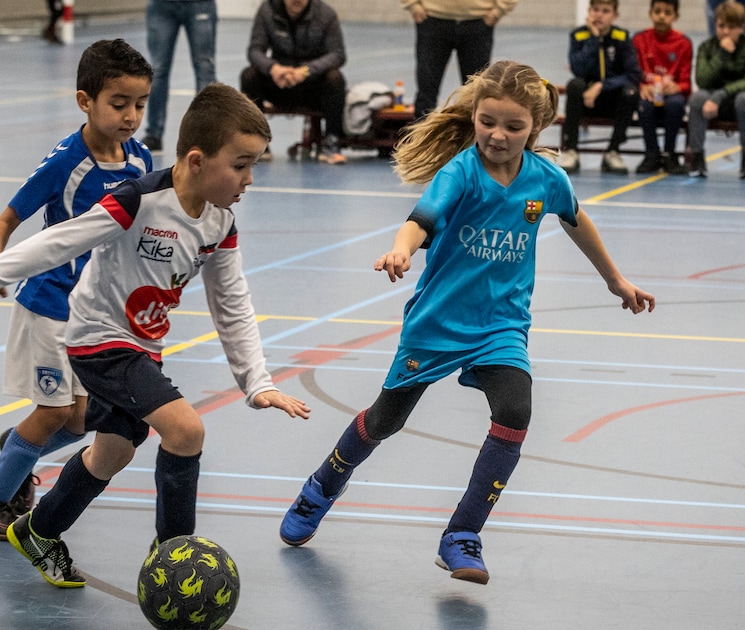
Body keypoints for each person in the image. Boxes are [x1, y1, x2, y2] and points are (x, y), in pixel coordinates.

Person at [0, 83, 311, 588]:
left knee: (114, 451)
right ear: (196, 160)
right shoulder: (140, 201)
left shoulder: (220, 222)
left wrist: (257, 382)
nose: (249, 179)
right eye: (240, 165)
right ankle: (176, 558)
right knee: (186, 431)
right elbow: (56, 242)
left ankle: (38, 531)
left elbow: (232, 305)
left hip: (142, 345)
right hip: (97, 338)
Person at [278, 60, 655, 584]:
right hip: (438, 323)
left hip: (501, 325)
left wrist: (615, 280)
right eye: (487, 121)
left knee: (515, 412)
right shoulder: (459, 172)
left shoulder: (546, 179)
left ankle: (463, 534)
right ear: (474, 116)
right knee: (386, 421)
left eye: (513, 127)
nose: (497, 135)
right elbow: (421, 219)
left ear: (535, 129)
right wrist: (399, 250)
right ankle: (321, 487)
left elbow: (575, 218)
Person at [0, 39, 155, 541]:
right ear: (84, 101)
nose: (131, 116)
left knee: (85, 415)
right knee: (55, 412)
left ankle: (17, 448)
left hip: (96, 311)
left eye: (139, 104)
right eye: (118, 104)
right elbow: (5, 220)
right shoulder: (67, 162)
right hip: (49, 303)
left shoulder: (139, 160)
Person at [240, 0, 348, 164]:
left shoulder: (326, 14)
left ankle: (331, 142)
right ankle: (256, 142)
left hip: (312, 87)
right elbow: (254, 50)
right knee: (249, 76)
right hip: (279, 84)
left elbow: (338, 54)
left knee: (335, 79)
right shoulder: (267, 10)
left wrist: (306, 71)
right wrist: (273, 68)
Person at [557, 0, 642, 175]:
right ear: (589, 11)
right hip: (586, 102)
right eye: (595, 10)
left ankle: (613, 151)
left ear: (614, 15)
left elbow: (632, 74)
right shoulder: (579, 36)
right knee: (574, 85)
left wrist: (601, 86)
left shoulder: (622, 37)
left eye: (605, 11)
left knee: (631, 91)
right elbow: (577, 69)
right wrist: (594, 39)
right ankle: (571, 150)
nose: (599, 15)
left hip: (613, 102)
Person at [400, 0, 519, 119]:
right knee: (426, 91)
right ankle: (422, 136)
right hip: (432, 20)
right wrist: (413, 5)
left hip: (478, 23)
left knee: (476, 91)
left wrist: (497, 12)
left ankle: (475, 136)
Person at [686, 0, 745, 179]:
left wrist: (720, 95)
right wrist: (722, 54)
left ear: (742, 27)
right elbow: (703, 80)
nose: (726, 32)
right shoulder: (706, 47)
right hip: (712, 100)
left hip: (737, 99)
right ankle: (697, 159)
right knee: (697, 99)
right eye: (721, 26)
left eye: (731, 27)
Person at [141, 0, 218, 155]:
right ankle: (154, 134)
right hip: (161, 6)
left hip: (200, 4)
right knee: (157, 69)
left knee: (205, 68)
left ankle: (206, 134)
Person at [633, 0, 692, 174]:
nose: (661, 16)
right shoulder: (639, 39)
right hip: (649, 94)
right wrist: (642, 86)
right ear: (650, 13)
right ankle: (651, 154)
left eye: (667, 12)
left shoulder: (683, 43)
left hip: (670, 95)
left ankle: (670, 154)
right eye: (657, 11)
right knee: (645, 105)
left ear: (676, 16)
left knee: (675, 104)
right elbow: (632, 73)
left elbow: (686, 83)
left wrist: (677, 86)